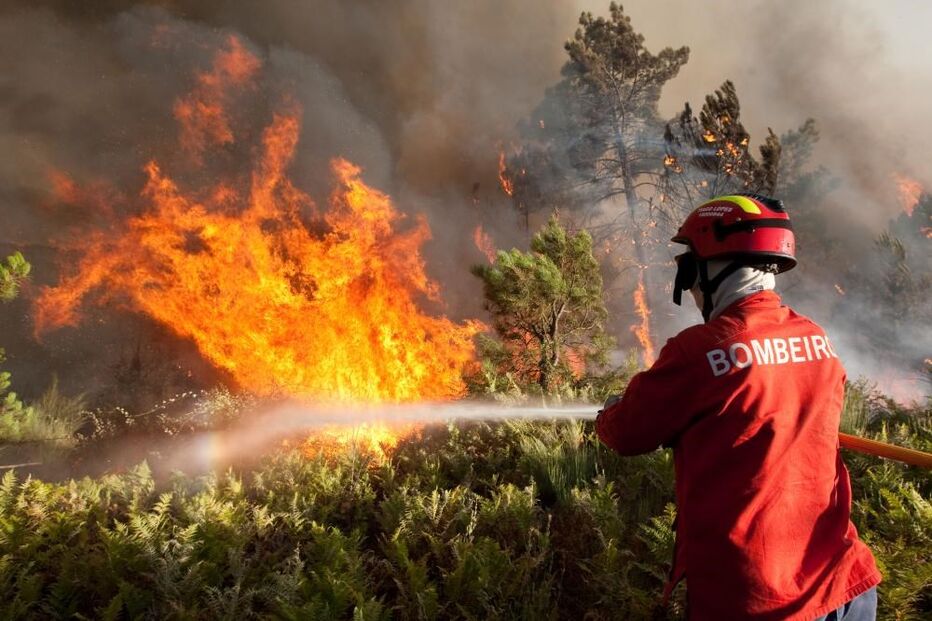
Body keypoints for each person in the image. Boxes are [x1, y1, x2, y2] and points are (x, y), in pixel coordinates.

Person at [596, 194, 880, 620]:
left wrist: (611, 410)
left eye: (688, 265)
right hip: (844, 586)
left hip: (757, 599)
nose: (688, 283)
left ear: (708, 266)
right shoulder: (817, 340)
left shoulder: (700, 350)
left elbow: (625, 434)